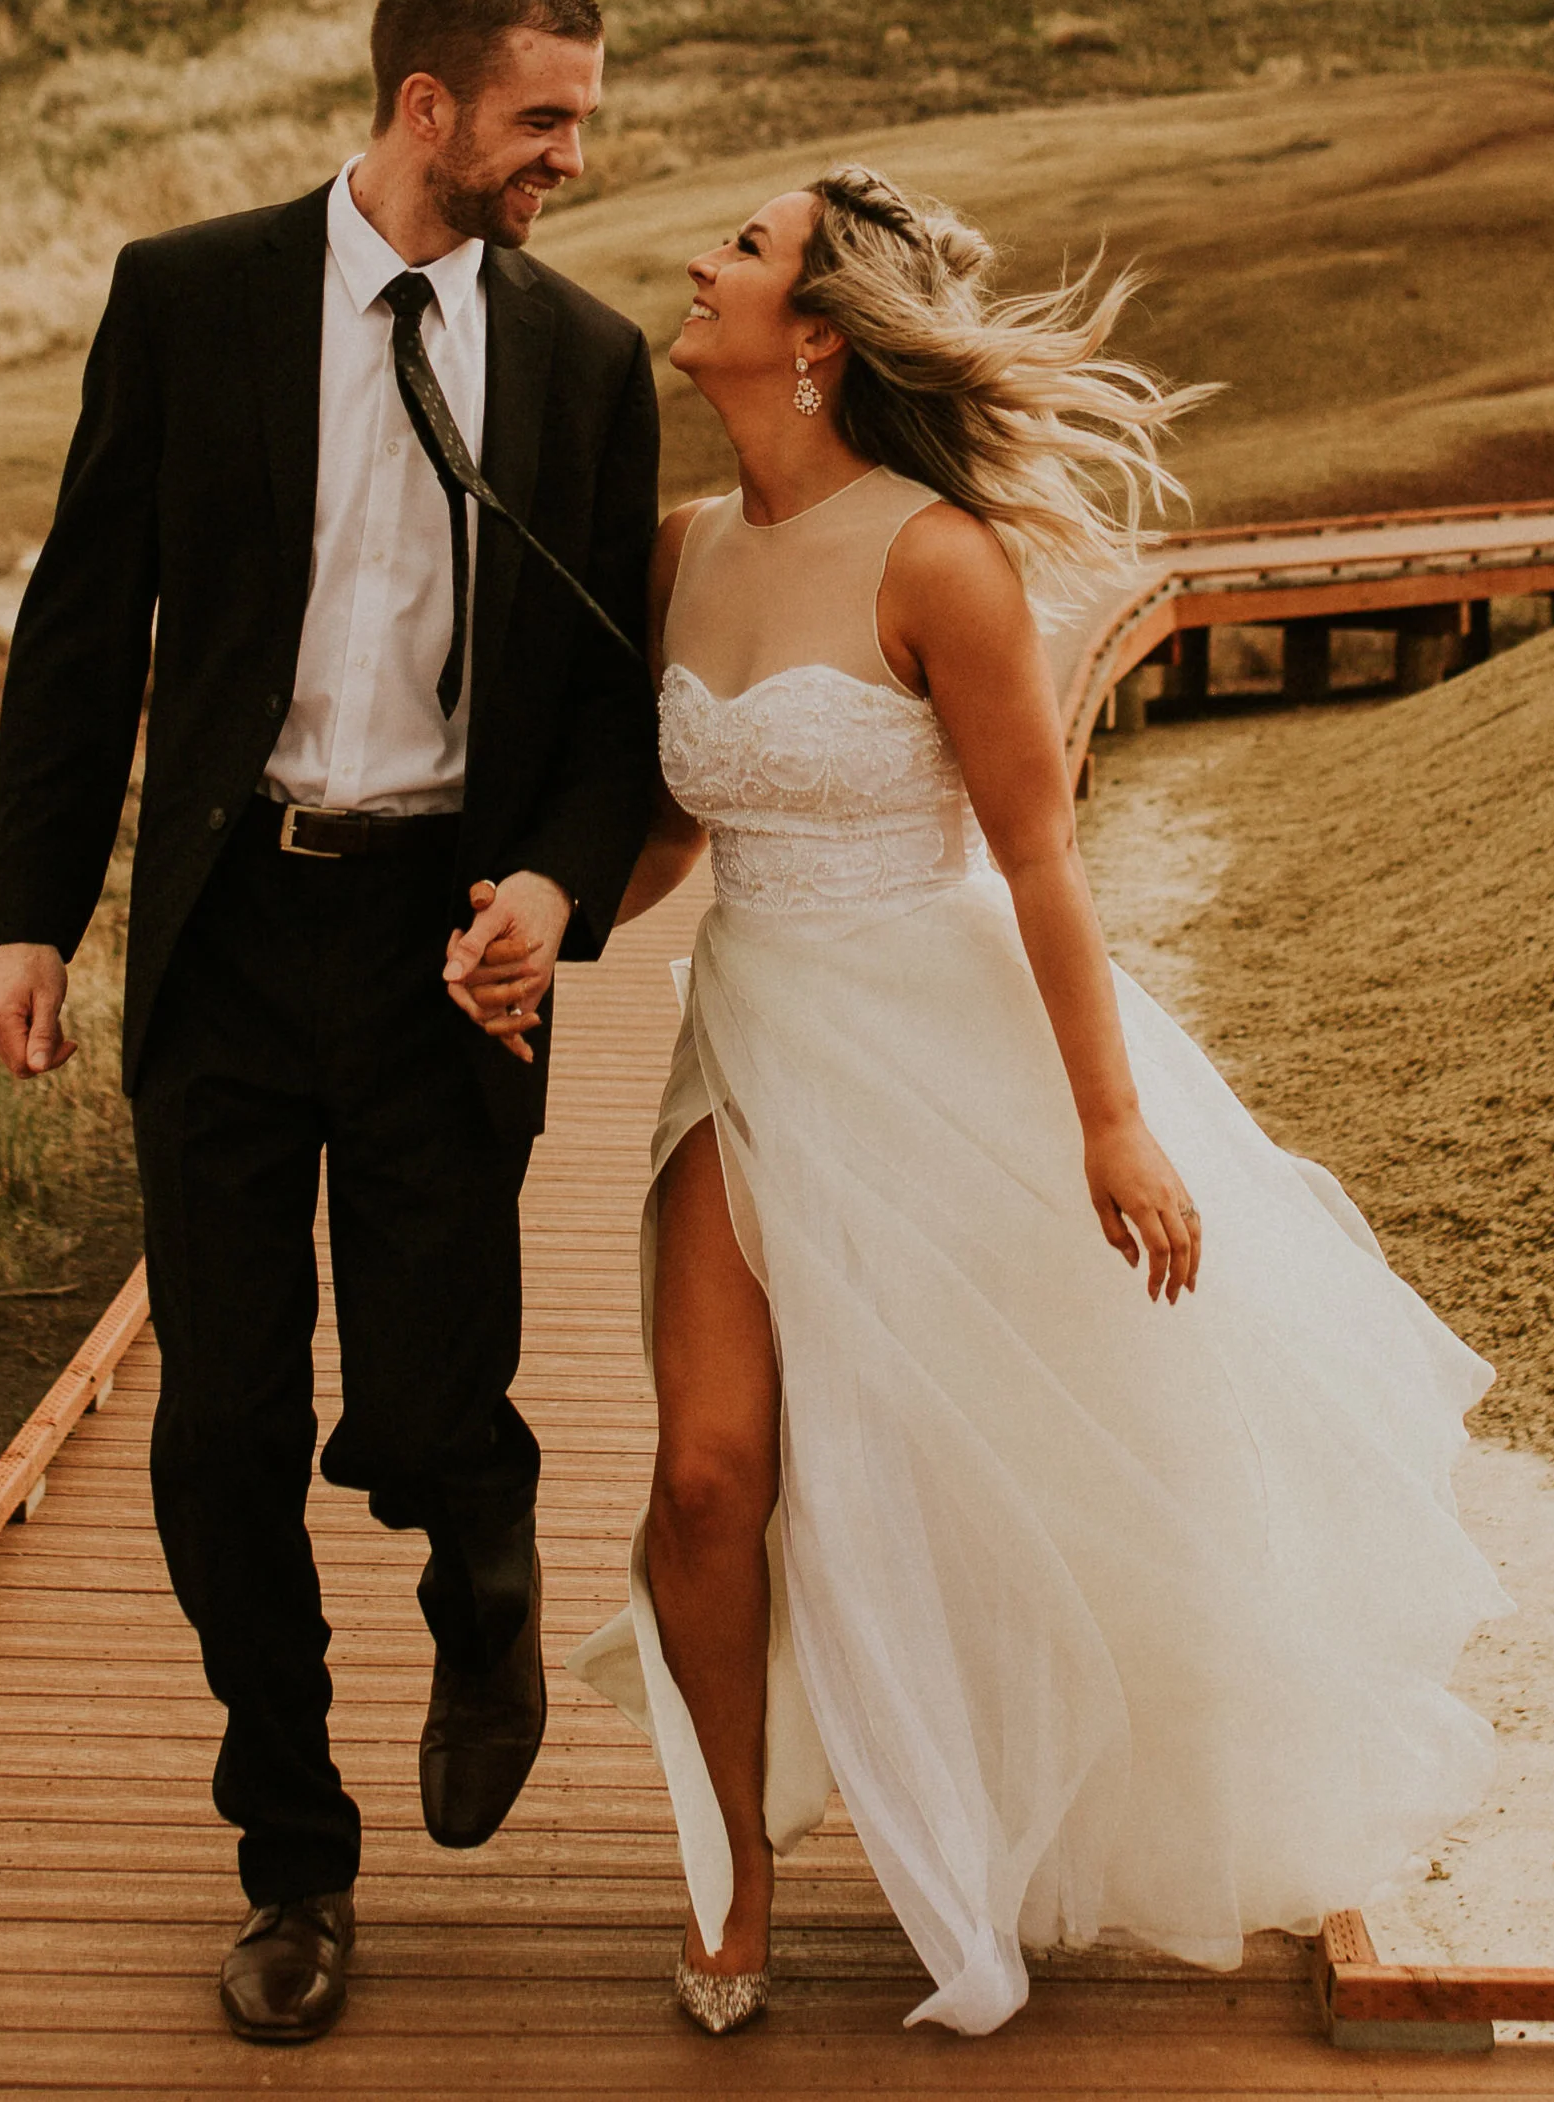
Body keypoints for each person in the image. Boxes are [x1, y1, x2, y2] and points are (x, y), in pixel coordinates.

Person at [571, 164, 1504, 2038]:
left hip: (942, 1050)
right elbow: (685, 817)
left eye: (740, 250)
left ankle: (996, 1804)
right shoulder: (679, 549)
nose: (697, 260)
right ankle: (736, 1868)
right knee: (707, 1470)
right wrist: (549, 912)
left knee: (993, 1469)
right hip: (745, 1035)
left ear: (816, 333)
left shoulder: (939, 560)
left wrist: (1111, 1120)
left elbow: (1043, 860)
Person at [0, 0, 660, 2049]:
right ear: (425, 104)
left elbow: (609, 700)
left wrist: (552, 882)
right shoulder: (187, 296)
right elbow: (88, 619)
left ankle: (483, 1562)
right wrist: (31, 913)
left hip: (446, 952)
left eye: (584, 119)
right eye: (543, 119)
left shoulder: (587, 358)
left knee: (435, 1394)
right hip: (228, 944)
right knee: (219, 1435)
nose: (573, 157)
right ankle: (293, 1855)